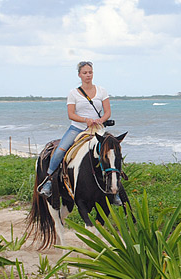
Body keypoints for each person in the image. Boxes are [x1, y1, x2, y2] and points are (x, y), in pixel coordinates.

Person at [39, 61, 121, 205]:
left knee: (112, 153)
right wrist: (85, 120)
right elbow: (71, 114)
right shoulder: (73, 93)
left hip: (97, 129)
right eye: (85, 73)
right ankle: (49, 181)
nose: (88, 75)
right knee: (60, 151)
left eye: (90, 72)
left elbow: (107, 112)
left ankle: (116, 191)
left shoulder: (102, 91)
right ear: (79, 75)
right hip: (77, 128)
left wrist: (100, 120)